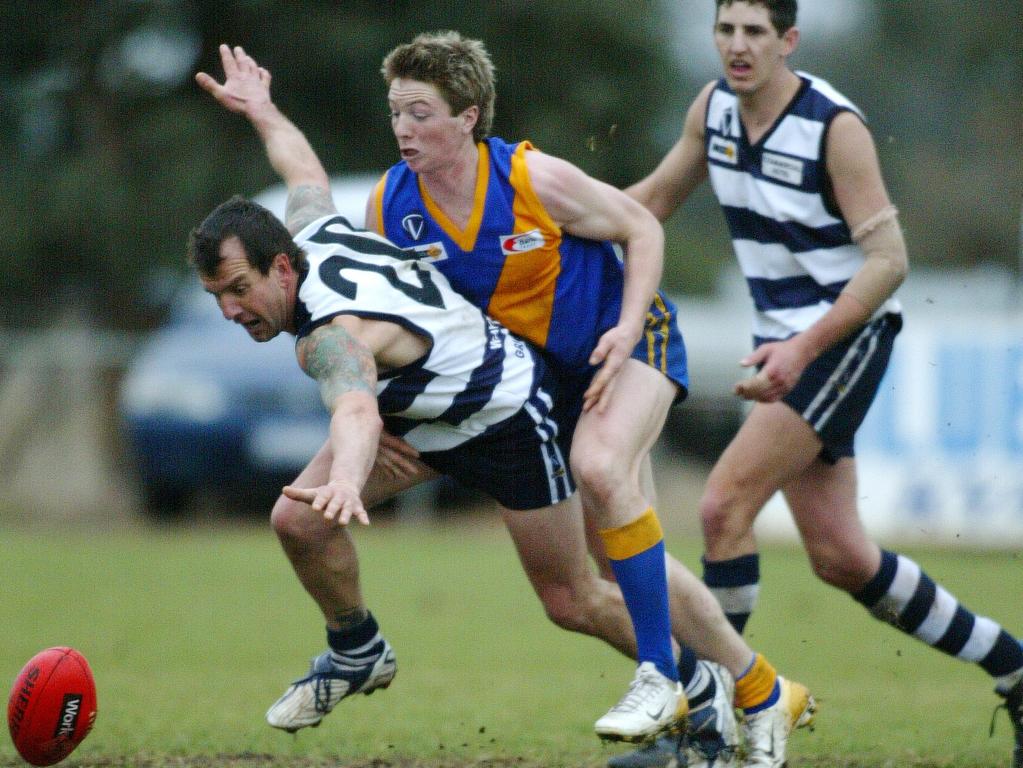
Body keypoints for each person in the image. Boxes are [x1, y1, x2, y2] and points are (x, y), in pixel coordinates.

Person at [195, 44, 812, 767]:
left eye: (419, 113)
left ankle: (705, 682)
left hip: (586, 360)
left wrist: (350, 470)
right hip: (478, 393)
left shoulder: (526, 177)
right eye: (395, 112)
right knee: (298, 519)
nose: (403, 127)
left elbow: (354, 402)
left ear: (467, 116)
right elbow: (305, 176)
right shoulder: (382, 206)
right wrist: (263, 110)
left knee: (596, 515)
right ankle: (358, 649)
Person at [623, 1, 1023, 766]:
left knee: (721, 504)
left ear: (787, 42)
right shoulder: (710, 110)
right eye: (725, 30)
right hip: (781, 342)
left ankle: (710, 729)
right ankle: (1014, 666)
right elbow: (652, 201)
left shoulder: (832, 125)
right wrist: (547, 220)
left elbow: (888, 262)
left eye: (754, 33)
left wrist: (802, 348)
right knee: (841, 556)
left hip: (841, 338)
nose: (737, 47)